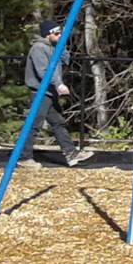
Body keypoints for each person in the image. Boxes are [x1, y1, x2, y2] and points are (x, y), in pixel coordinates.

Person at [25, 20, 94, 167]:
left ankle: (71, 154)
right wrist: (59, 84)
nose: (60, 35)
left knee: (58, 123)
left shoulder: (53, 48)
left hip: (50, 92)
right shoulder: (38, 48)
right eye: (56, 33)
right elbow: (43, 72)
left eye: (60, 32)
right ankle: (24, 157)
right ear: (47, 34)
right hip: (40, 92)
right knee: (34, 125)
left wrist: (62, 47)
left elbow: (66, 61)